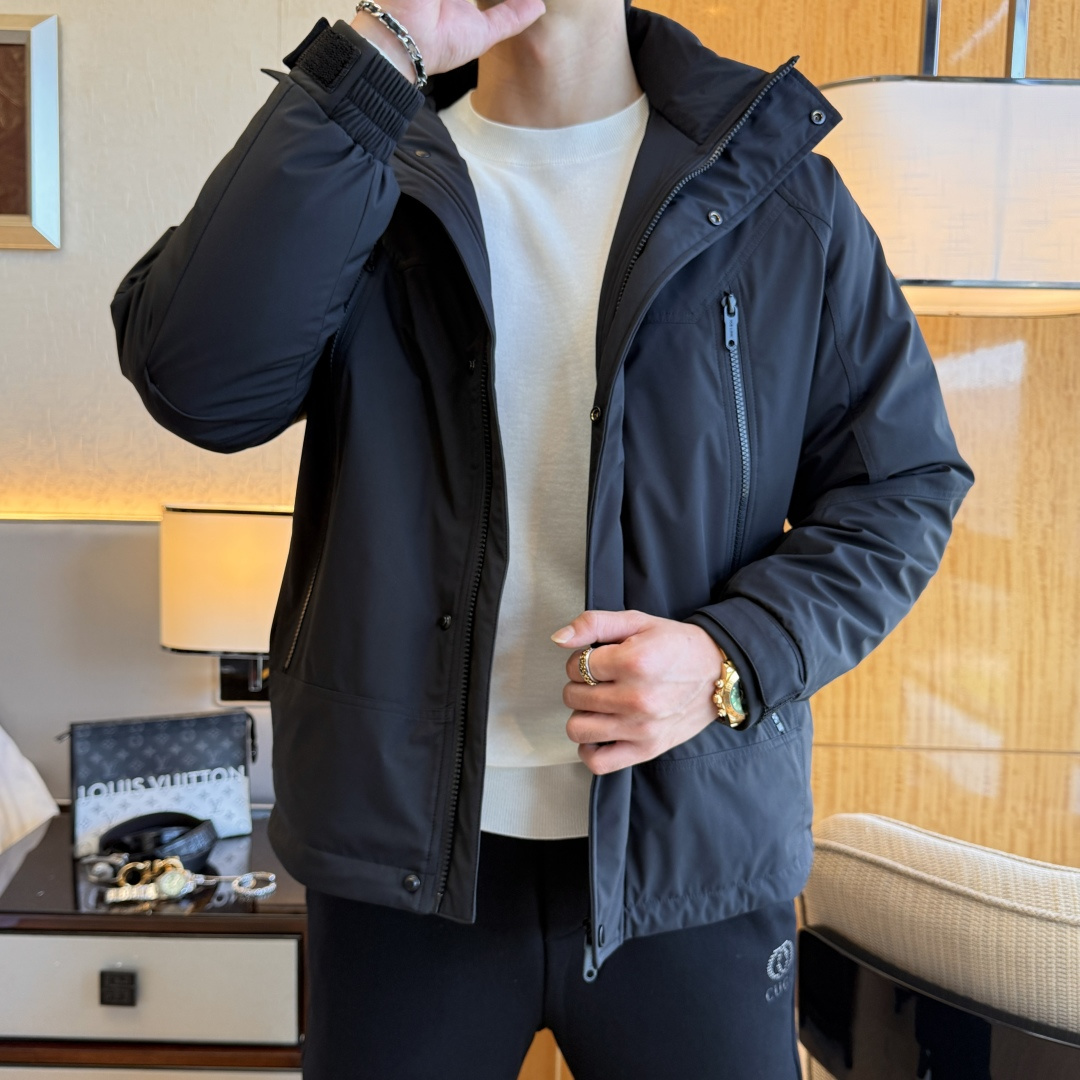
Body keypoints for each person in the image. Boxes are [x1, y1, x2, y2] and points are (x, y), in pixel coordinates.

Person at [111, 0, 973, 1076]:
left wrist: (732, 656)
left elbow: (902, 487)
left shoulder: (776, 186)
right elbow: (195, 385)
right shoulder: (363, 161)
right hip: (399, 867)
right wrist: (379, 49)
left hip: (691, 851)